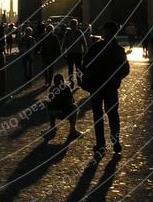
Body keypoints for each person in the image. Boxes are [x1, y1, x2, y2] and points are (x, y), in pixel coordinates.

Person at [81, 21, 130, 158]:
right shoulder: (118, 50)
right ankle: (115, 142)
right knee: (113, 114)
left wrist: (90, 76)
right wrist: (116, 78)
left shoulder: (96, 47)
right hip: (111, 87)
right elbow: (125, 69)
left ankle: (100, 144)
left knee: (98, 115)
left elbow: (84, 64)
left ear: (106, 32)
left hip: (96, 86)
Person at [43, 74, 83, 140]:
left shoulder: (52, 89)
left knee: (48, 105)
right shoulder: (66, 88)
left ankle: (52, 127)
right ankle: (72, 129)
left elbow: (51, 101)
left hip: (57, 111)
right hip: (66, 111)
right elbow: (72, 101)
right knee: (74, 107)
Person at [62, 19, 87, 86]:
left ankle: (79, 79)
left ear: (76, 25)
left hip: (78, 52)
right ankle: (71, 81)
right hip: (70, 53)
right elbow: (64, 43)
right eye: (72, 24)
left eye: (74, 24)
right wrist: (63, 52)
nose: (73, 25)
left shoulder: (79, 32)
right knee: (70, 68)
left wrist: (85, 52)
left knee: (78, 67)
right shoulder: (67, 33)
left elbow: (84, 43)